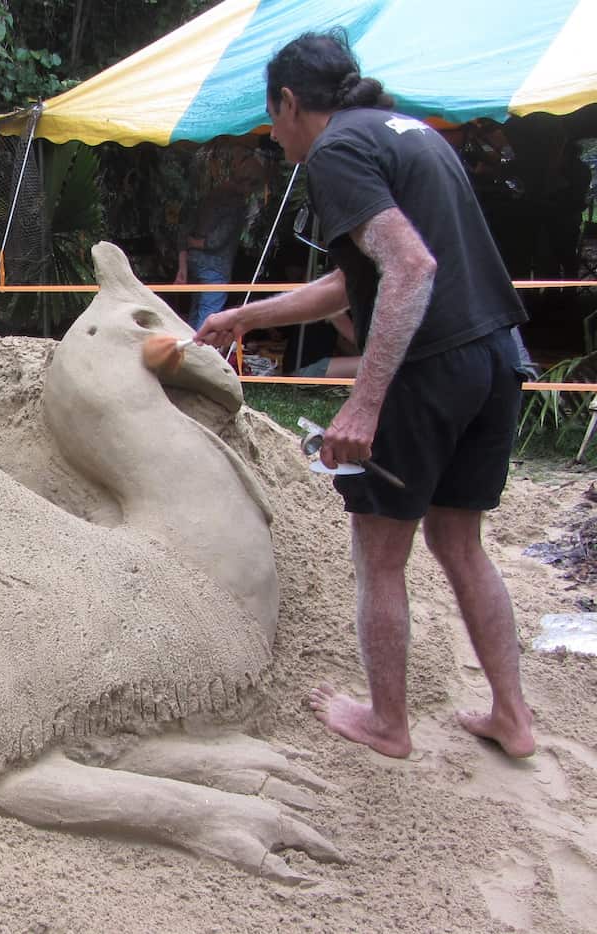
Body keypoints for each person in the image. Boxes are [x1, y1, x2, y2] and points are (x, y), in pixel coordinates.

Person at [195, 30, 535, 759]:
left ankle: (387, 722)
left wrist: (365, 401)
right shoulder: (410, 133)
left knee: (378, 554)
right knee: (460, 542)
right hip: (496, 355)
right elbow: (356, 280)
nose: (274, 135)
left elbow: (409, 269)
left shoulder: (336, 151)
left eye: (271, 117)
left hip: (428, 368)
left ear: (290, 102)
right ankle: (513, 717)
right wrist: (245, 316)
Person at [175, 145, 269, 329]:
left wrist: (188, 249)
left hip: (194, 261)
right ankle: (201, 346)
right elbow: (216, 240)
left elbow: (186, 228)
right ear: (248, 182)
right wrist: (198, 242)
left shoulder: (210, 195)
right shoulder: (235, 204)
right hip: (216, 267)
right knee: (209, 315)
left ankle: (190, 344)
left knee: (196, 310)